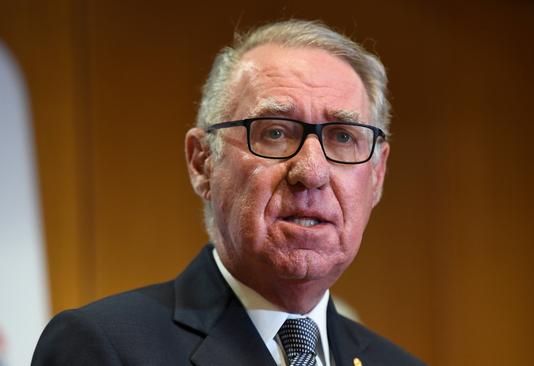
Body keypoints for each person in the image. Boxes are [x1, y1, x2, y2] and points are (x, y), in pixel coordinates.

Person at [32, 19, 425, 366]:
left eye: (342, 137)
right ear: (202, 162)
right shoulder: (103, 348)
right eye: (274, 132)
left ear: (377, 175)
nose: (312, 171)